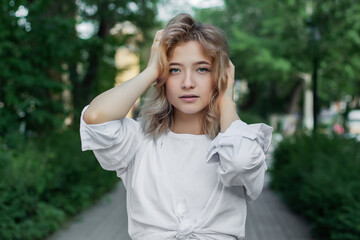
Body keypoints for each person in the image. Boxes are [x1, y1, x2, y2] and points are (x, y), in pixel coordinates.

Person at [80, 13, 273, 240]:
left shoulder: (239, 142)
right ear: (163, 77)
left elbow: (239, 162)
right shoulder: (139, 140)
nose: (187, 83)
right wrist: (151, 70)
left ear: (219, 75)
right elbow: (95, 117)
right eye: (174, 70)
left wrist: (226, 100)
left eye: (202, 69)